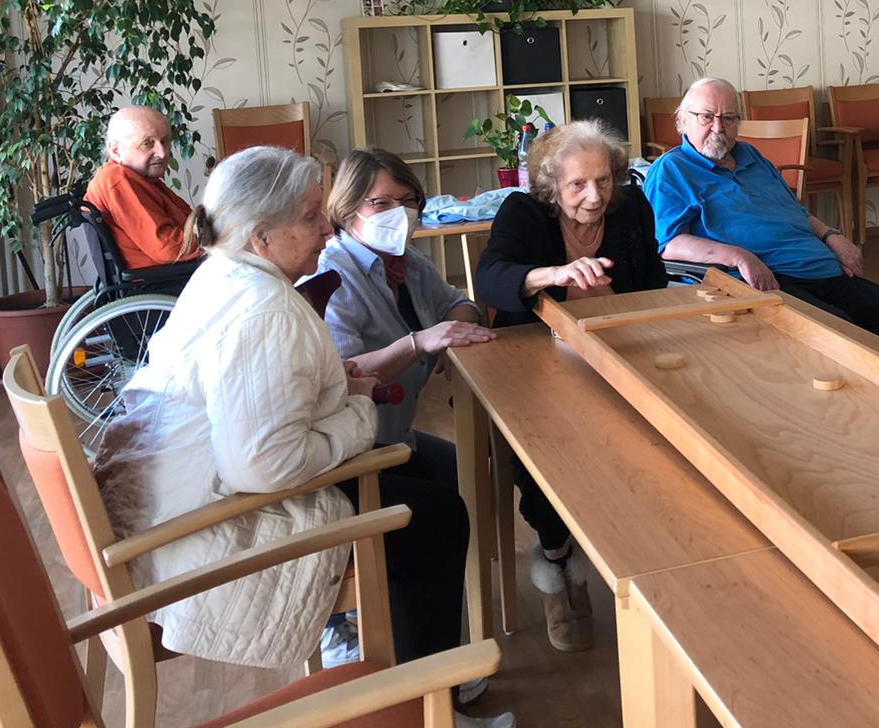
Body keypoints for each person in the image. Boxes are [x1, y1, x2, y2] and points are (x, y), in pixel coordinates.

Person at [96, 147, 509, 727]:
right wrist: (359, 411)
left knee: (433, 479)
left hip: (178, 502)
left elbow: (263, 399)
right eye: (312, 215)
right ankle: (422, 702)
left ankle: (418, 675)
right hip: (214, 526)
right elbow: (263, 467)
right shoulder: (265, 309)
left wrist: (338, 385)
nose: (325, 226)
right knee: (434, 518)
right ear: (262, 235)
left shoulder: (225, 274)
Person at [476, 120, 667, 651]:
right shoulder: (523, 212)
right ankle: (558, 562)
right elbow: (491, 277)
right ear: (551, 184)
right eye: (578, 185)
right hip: (533, 355)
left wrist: (610, 298)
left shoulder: (631, 208)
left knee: (649, 443)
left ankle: (638, 559)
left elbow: (651, 284)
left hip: (615, 347)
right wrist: (552, 276)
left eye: (604, 181)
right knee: (542, 453)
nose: (594, 196)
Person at [314, 148, 495, 664]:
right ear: (348, 210)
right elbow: (347, 375)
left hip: (392, 436)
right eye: (381, 203)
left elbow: (459, 302)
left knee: (458, 471)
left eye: (408, 200)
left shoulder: (408, 263)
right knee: (441, 515)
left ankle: (417, 635)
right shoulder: (333, 274)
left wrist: (449, 327)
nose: (399, 214)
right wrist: (421, 342)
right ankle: (404, 662)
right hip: (348, 450)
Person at [642, 77, 879, 352]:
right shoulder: (671, 170)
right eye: (706, 116)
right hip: (769, 279)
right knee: (843, 333)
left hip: (822, 268)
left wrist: (831, 236)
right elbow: (668, 243)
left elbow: (796, 211)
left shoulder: (751, 156)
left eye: (728, 118)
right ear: (682, 120)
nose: (718, 127)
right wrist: (740, 256)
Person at [83, 105, 202, 269]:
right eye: (147, 143)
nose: (162, 153)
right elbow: (168, 248)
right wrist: (223, 239)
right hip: (163, 281)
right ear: (116, 151)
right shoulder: (117, 179)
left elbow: (191, 221)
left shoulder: (144, 179)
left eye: (165, 141)